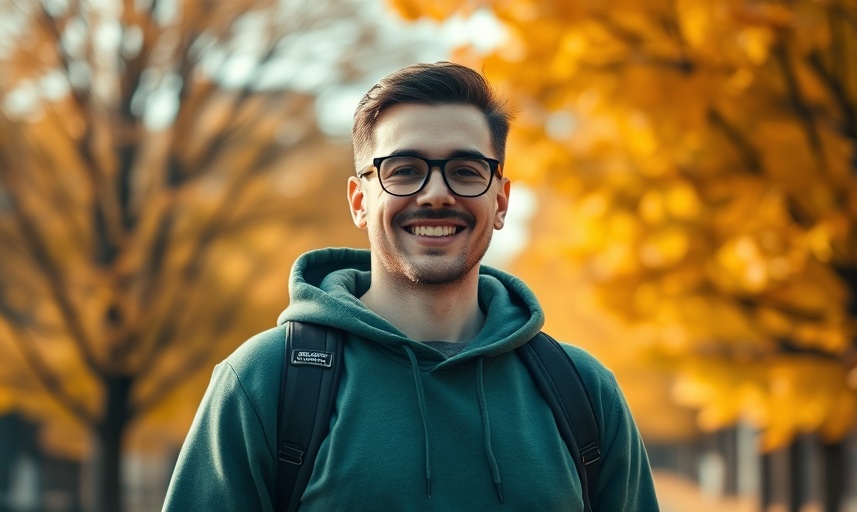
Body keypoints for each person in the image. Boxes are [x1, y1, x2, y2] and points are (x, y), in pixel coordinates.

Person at [162, 61, 660, 511]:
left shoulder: (582, 392)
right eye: (404, 171)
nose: (436, 194)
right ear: (359, 200)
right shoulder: (265, 382)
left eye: (466, 171)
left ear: (502, 201)